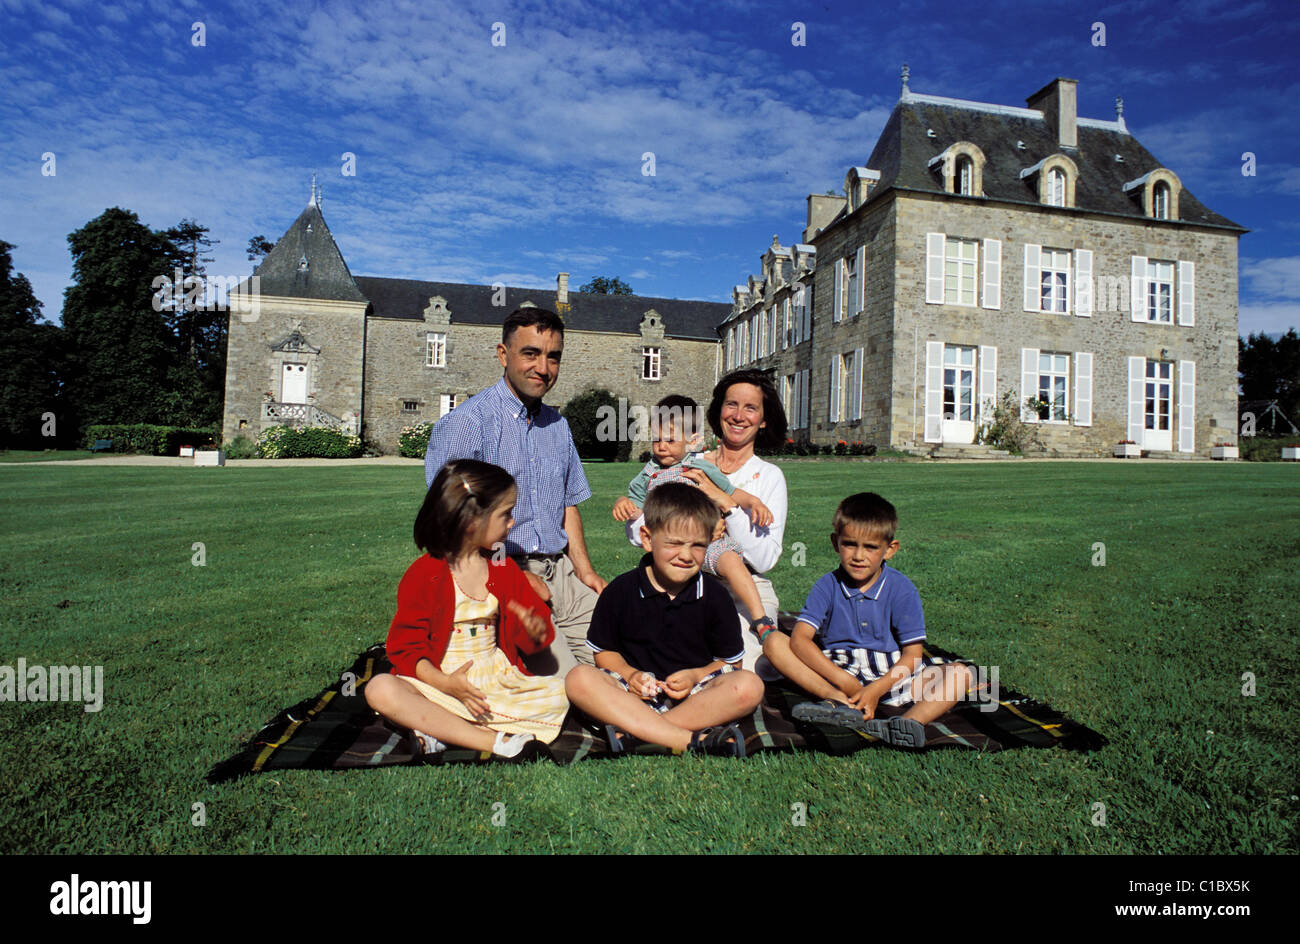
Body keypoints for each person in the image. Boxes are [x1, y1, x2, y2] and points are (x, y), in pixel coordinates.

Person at [621, 369, 841, 702]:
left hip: (741, 585)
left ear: (764, 420)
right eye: (731, 405)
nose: (739, 415)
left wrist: (728, 507)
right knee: (645, 659)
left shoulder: (768, 476)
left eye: (750, 408)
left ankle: (772, 647)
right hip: (678, 577)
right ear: (718, 410)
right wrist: (688, 533)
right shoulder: (684, 460)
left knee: (742, 670)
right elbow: (638, 530)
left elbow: (764, 558)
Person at [424, 307, 605, 673]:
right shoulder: (468, 424)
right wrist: (512, 576)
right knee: (573, 680)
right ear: (503, 355)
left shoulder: (557, 425)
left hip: (563, 573)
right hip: (500, 575)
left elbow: (568, 503)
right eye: (531, 353)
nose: (543, 367)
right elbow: (450, 529)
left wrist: (585, 572)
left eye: (553, 357)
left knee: (624, 658)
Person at [365, 459, 569, 759]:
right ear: (472, 520)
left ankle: (443, 731)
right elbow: (406, 648)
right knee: (380, 688)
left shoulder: (503, 568)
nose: (512, 522)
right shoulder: (425, 573)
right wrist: (444, 683)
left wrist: (535, 630)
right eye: (506, 514)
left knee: (560, 695)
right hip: (435, 681)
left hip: (491, 684)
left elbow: (531, 641)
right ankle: (493, 740)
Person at [567, 483, 765, 756]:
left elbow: (731, 662)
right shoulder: (620, 591)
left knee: (749, 686)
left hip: (695, 698)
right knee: (579, 678)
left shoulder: (716, 596)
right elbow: (605, 653)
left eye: (697, 546)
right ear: (647, 538)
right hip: (633, 696)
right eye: (674, 543)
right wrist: (632, 675)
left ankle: (643, 733)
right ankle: (688, 740)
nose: (686, 555)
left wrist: (695, 675)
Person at [789, 492, 974, 748]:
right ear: (835, 542)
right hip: (839, 672)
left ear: (890, 550)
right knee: (775, 642)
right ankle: (836, 701)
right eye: (850, 544)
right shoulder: (827, 585)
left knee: (961, 673)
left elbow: (913, 655)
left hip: (891, 676)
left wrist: (876, 689)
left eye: (871, 547)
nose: (858, 556)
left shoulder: (901, 588)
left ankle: (907, 723)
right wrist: (845, 682)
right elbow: (800, 639)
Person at [612, 394, 773, 632]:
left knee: (730, 560)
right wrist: (623, 503)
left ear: (693, 440)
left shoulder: (700, 468)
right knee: (652, 584)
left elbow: (729, 491)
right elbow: (636, 505)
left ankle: (760, 619)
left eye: (670, 439)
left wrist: (753, 501)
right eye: (656, 439)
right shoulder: (648, 475)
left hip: (705, 542)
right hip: (669, 548)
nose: (661, 446)